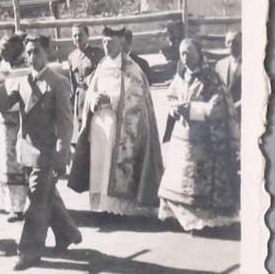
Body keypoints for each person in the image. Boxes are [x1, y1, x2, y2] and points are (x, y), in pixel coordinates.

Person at [0, 34, 81, 270]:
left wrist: (63, 153)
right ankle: (67, 233)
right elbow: (5, 107)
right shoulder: (23, 81)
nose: (32, 57)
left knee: (37, 199)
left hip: (49, 152)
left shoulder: (58, 82)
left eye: (36, 52)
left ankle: (28, 252)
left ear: (47, 53)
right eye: (28, 52)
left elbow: (65, 122)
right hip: (29, 149)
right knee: (46, 195)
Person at [70, 26, 163, 217]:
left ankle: (118, 208)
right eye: (104, 42)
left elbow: (135, 99)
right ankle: (102, 206)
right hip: (99, 127)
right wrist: (92, 98)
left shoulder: (132, 69)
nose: (106, 46)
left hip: (118, 127)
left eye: (110, 42)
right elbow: (90, 91)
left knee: (114, 166)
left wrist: (111, 101)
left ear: (121, 42)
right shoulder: (102, 65)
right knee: (99, 165)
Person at [158, 38, 240, 232]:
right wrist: (174, 109)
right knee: (177, 180)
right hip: (182, 137)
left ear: (199, 53)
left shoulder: (211, 77)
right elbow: (171, 96)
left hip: (204, 139)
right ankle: (181, 218)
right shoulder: (180, 75)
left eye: (188, 53)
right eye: (182, 53)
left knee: (199, 183)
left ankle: (202, 222)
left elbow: (218, 105)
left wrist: (191, 109)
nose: (184, 57)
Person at [0, 32, 28, 221]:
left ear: (16, 50)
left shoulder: (24, 69)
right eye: (0, 48)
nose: (1, 52)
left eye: (5, 48)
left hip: (19, 122)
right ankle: (10, 205)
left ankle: (19, 207)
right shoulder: (4, 67)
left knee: (19, 165)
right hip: (3, 122)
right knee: (5, 165)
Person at [67, 24, 103, 140]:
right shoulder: (72, 57)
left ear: (87, 36)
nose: (78, 38)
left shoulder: (98, 54)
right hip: (80, 99)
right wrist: (72, 103)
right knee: (81, 131)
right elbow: (72, 82)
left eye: (80, 35)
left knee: (96, 129)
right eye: (75, 36)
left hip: (93, 96)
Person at [214, 27, 242, 118]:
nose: (231, 45)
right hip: (224, 114)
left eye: (235, 42)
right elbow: (217, 89)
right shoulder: (220, 65)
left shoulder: (251, 65)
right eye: (228, 42)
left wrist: (235, 107)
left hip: (243, 112)